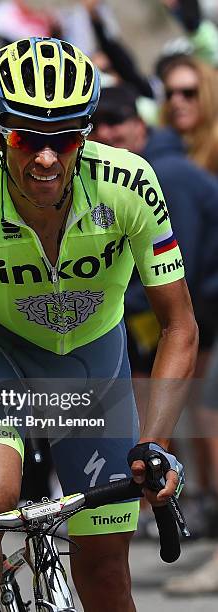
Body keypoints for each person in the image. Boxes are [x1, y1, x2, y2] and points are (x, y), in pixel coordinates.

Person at [0, 38, 197, 612]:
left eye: (64, 139)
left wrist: (156, 446)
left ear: (84, 135)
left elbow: (179, 327)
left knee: (108, 571)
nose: (46, 158)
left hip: (93, 365)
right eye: (25, 138)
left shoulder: (130, 184)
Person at [91, 83, 218, 537]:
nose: (108, 132)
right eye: (98, 124)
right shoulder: (135, 171)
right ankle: (197, 503)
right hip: (198, 302)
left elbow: (178, 261)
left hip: (205, 301)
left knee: (206, 409)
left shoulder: (160, 173)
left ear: (141, 125)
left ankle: (208, 512)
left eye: (118, 121)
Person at [159, 54, 218, 175]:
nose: (175, 101)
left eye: (188, 93)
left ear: (208, 94)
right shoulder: (159, 147)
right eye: (169, 94)